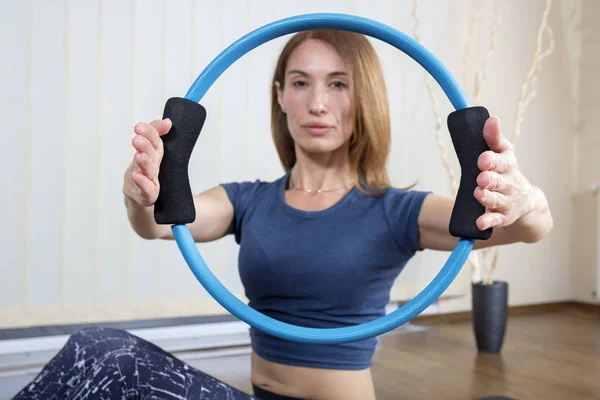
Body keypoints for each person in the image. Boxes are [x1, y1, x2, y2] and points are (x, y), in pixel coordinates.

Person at [13, 30, 553, 400]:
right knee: (96, 355)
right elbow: (160, 221)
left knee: (106, 354)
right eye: (301, 82)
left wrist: (528, 202)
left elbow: (526, 229)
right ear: (281, 97)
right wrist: (142, 190)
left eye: (337, 83)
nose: (318, 103)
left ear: (361, 98)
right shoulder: (248, 201)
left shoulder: (396, 211)